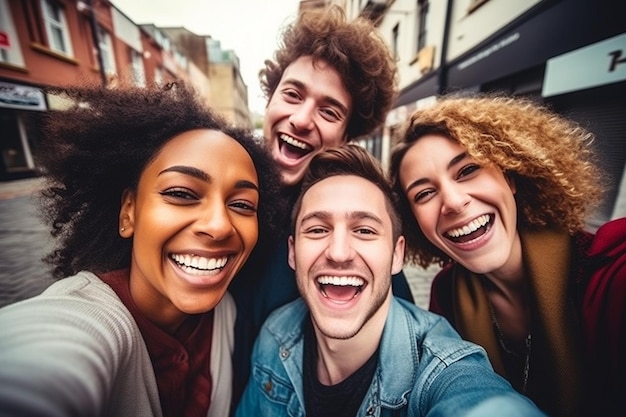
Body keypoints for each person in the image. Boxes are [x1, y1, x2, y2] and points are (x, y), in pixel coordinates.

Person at [0, 82, 285, 417]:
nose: (219, 225)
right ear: (128, 212)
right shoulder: (88, 322)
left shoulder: (228, 312)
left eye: (241, 204)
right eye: (181, 193)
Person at [236, 143, 547, 416]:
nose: (339, 252)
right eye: (317, 229)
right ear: (292, 253)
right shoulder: (274, 336)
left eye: (365, 230)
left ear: (397, 255)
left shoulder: (439, 364)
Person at [389, 93, 626, 417]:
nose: (454, 202)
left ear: (510, 176)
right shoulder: (444, 294)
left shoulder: (611, 270)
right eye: (425, 193)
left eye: (468, 170)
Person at [229, 4, 414, 405]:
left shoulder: (354, 241)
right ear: (271, 99)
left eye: (329, 111)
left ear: (346, 135)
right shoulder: (217, 196)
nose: (300, 119)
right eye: (292, 95)